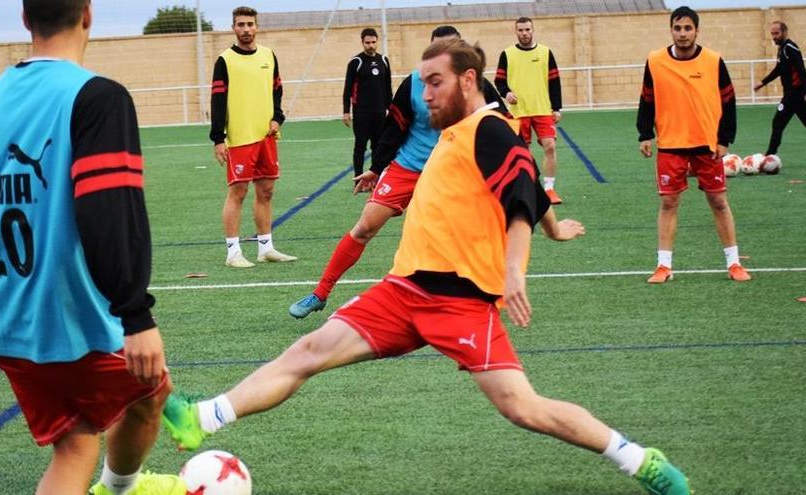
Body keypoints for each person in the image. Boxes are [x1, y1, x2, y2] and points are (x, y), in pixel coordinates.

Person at [163, 39, 690, 495]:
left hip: (460, 303)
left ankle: (640, 460)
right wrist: (555, 227)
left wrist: (516, 268)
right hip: (402, 292)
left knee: (524, 408)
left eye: (435, 83)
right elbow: (526, 188)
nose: (426, 94)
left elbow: (522, 191)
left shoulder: (489, 128)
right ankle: (202, 417)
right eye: (422, 83)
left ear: (468, 79)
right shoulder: (458, 133)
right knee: (308, 351)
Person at [0, 1, 183, 494]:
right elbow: (109, 214)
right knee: (149, 395)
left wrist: (7, 280)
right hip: (69, 327)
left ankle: (117, 487)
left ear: (26, 20)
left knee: (75, 442)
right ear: (88, 15)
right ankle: (119, 488)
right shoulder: (97, 98)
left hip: (5, 325)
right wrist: (135, 316)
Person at [288, 26, 546, 319]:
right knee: (364, 227)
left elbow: (502, 130)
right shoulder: (414, 83)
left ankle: (470, 302)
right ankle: (320, 293)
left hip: (453, 176)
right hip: (408, 167)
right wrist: (375, 168)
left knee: (462, 236)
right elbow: (394, 129)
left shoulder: (476, 86)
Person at [637, 6, 751, 284]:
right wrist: (644, 133)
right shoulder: (655, 60)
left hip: (707, 144)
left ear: (697, 31)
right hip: (671, 143)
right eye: (678, 28)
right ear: (671, 30)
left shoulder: (713, 60)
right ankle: (664, 266)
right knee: (668, 203)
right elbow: (647, 98)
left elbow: (729, 101)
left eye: (688, 28)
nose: (683, 33)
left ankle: (734, 263)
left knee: (719, 202)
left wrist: (724, 139)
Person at [211, 6, 296, 268]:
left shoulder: (269, 56)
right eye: (241, 25)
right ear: (233, 28)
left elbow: (277, 91)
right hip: (239, 138)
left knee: (267, 192)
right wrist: (218, 138)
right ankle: (233, 252)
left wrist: (277, 118)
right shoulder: (225, 60)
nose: (246, 29)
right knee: (238, 192)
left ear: (256, 26)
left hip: (266, 136)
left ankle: (266, 248)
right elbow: (217, 100)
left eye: (250, 24)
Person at [494, 17, 564, 205]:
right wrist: (506, 93)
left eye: (527, 29)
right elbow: (499, 81)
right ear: (515, 32)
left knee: (550, 146)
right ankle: (531, 189)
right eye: (521, 30)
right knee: (524, 152)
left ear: (533, 30)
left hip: (542, 109)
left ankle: (549, 189)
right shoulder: (507, 54)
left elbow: (554, 81)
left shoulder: (546, 52)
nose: (524, 33)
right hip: (518, 112)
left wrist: (557, 108)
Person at [343, 27, 392, 178]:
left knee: (378, 147)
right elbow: (348, 88)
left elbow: (387, 87)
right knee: (360, 147)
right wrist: (346, 111)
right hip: (361, 113)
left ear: (377, 41)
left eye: (373, 42)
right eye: (367, 42)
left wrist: (391, 109)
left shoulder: (383, 60)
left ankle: (375, 178)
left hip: (379, 113)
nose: (371, 45)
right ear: (362, 43)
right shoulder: (356, 62)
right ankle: (358, 178)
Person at [753, 21, 806, 159]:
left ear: (784, 32)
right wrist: (762, 83)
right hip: (793, 94)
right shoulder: (782, 49)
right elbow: (779, 70)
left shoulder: (790, 48)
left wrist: (803, 91)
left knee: (778, 122)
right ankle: (771, 153)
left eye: (776, 33)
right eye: (772, 34)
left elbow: (801, 70)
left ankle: (770, 155)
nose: (774, 36)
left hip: (794, 93)